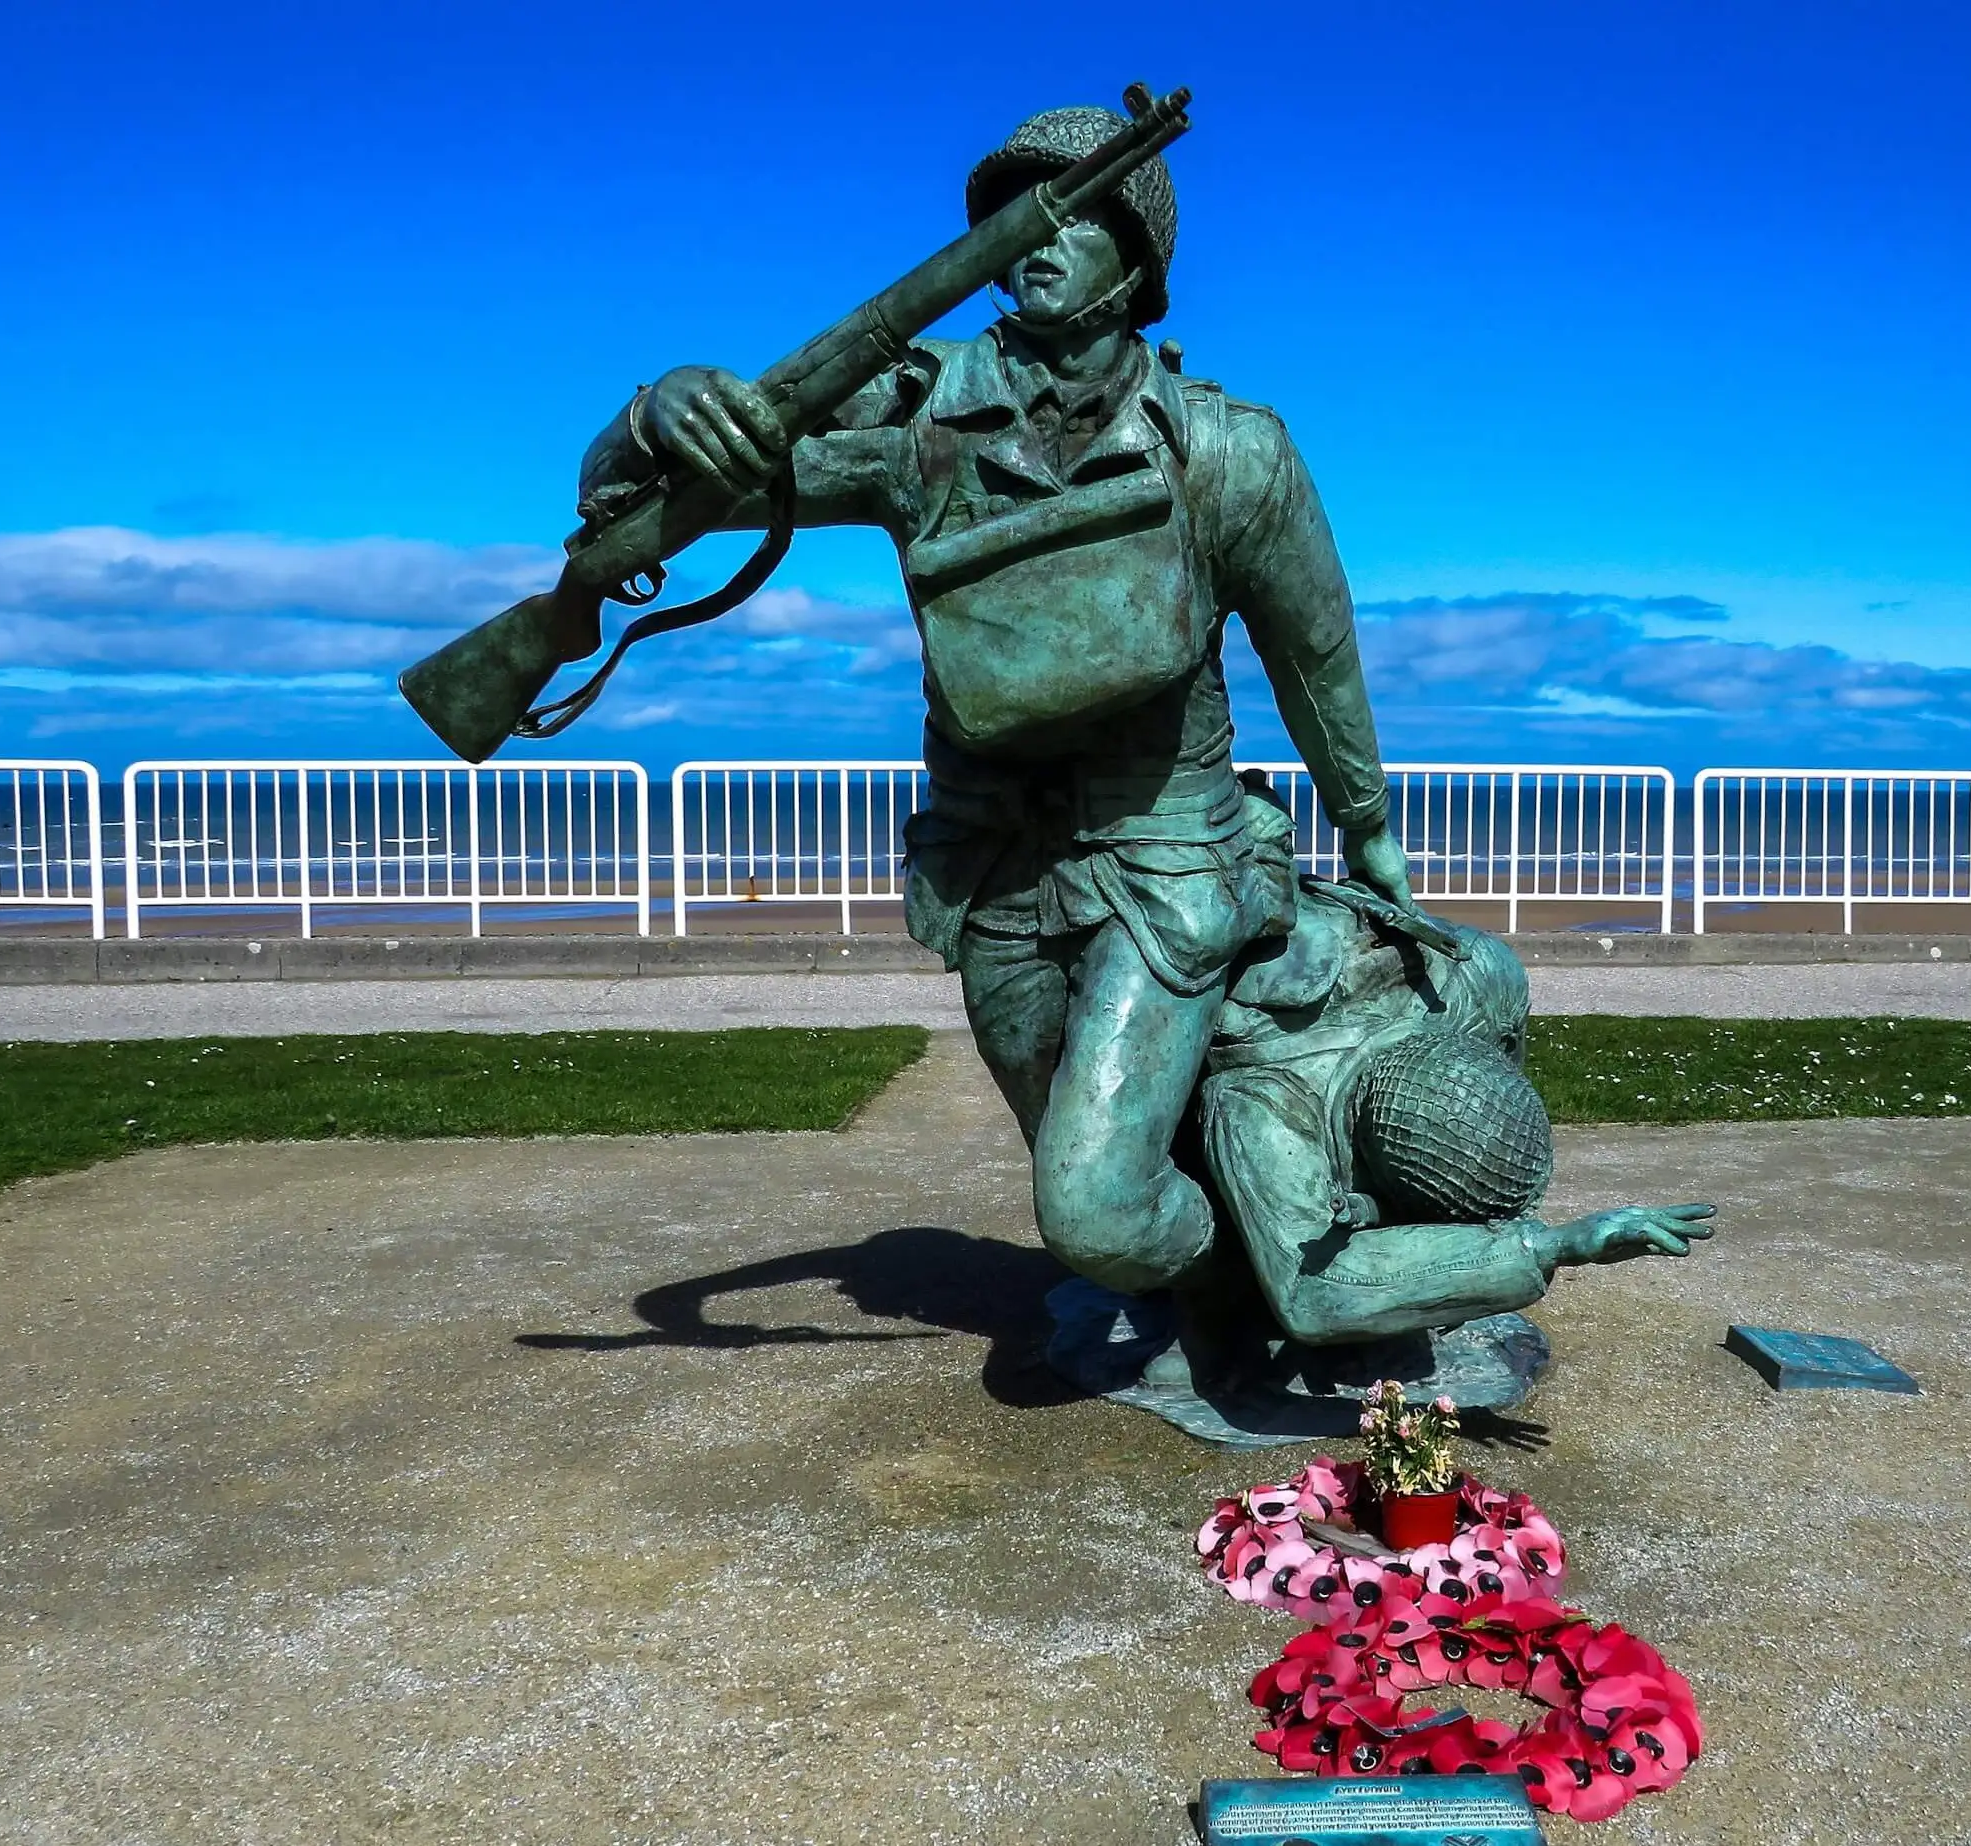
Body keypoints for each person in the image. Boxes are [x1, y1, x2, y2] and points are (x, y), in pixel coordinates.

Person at [577, 108, 1408, 1348]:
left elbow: (1317, 653)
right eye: (1019, 216)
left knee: (1093, 1209)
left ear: (1137, 261)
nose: (1037, 242)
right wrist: (657, 416)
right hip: (992, 867)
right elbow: (652, 510)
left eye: (1074, 217)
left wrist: (1370, 827)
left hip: (1167, 860)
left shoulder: (1229, 453)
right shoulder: (915, 420)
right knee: (1083, 1172)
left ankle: (1269, 1277)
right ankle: (1229, 1283)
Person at [1196, 784, 1716, 1349]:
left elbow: (1311, 1293)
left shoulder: (1471, 974)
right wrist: (1549, 1246)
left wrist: (1519, 1242)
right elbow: (1313, 1293)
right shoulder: (1265, 1102)